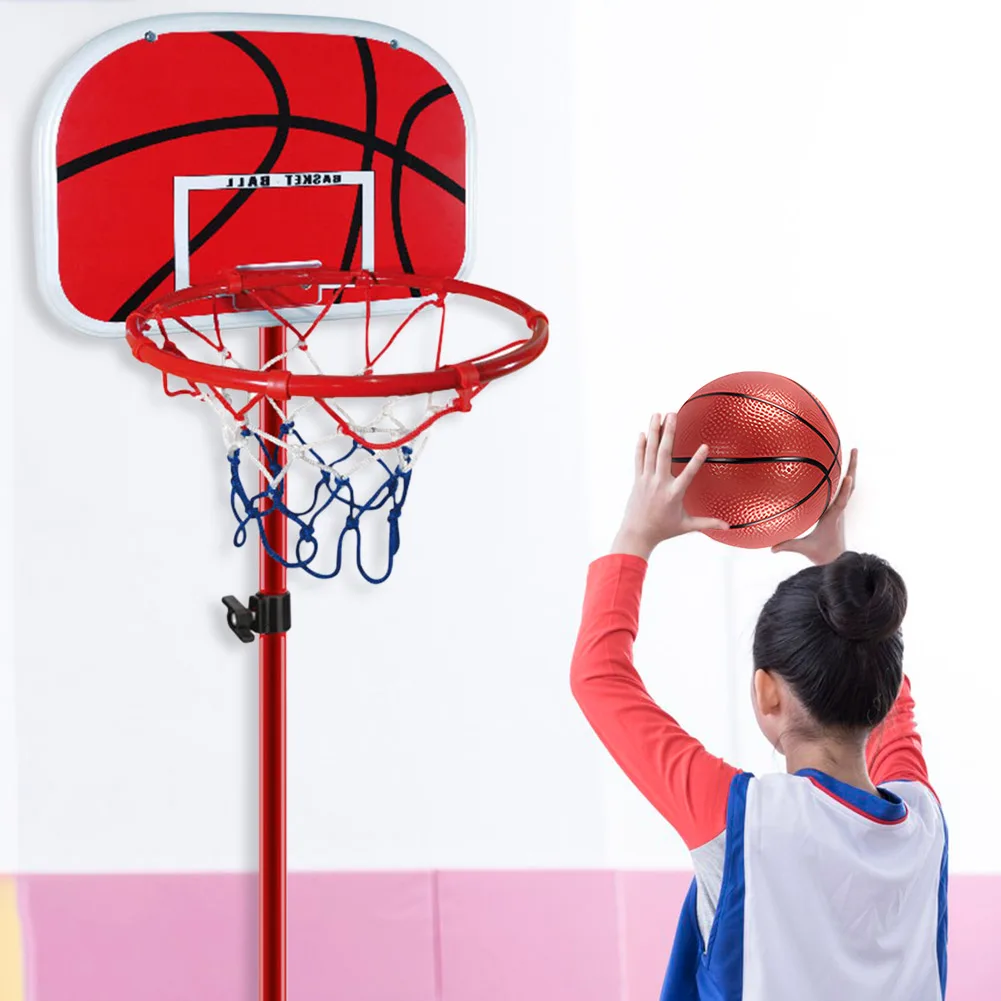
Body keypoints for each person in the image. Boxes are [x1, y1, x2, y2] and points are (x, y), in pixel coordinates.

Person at [571, 413, 947, 1001]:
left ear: (766, 692)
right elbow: (887, 691)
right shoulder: (924, 824)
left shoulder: (742, 819)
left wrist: (636, 535)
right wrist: (834, 569)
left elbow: (599, 679)